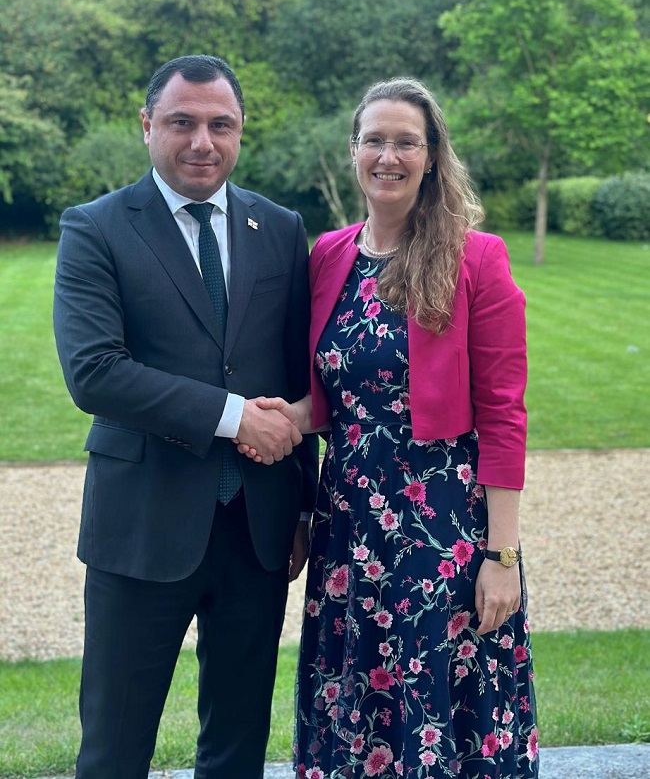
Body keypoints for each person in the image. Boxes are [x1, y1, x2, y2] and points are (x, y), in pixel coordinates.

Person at [243, 76, 539, 777]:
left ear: (432, 156)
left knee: (439, 709)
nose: (388, 156)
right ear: (353, 150)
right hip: (349, 529)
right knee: (358, 707)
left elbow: (504, 415)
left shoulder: (476, 258)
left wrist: (502, 558)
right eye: (374, 140)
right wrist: (280, 422)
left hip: (442, 531)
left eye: (407, 142)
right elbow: (335, 396)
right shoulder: (329, 254)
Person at [53, 54, 318, 779]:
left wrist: (302, 509)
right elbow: (95, 372)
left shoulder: (280, 228)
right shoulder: (95, 228)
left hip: (257, 534)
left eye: (220, 125)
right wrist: (234, 417)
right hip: (142, 528)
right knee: (114, 749)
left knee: (236, 749)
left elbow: (297, 377)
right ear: (147, 126)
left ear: (240, 131)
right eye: (182, 123)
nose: (203, 141)